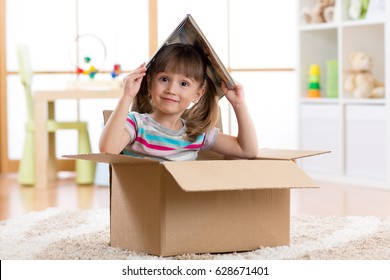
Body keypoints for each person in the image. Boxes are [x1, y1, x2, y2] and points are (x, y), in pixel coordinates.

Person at [99, 43, 258, 161]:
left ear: (198, 94)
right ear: (149, 83)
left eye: (184, 84)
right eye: (164, 79)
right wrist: (127, 96)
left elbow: (247, 150)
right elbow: (108, 150)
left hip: (181, 203)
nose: (171, 89)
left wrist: (239, 105)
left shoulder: (196, 134)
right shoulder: (136, 124)